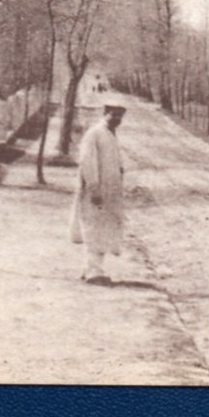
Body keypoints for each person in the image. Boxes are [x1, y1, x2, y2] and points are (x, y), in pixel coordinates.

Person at [69, 103, 127, 285]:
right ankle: (94, 271)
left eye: (120, 116)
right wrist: (94, 187)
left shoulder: (110, 134)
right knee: (94, 228)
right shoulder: (94, 134)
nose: (117, 119)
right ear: (105, 113)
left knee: (103, 229)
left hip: (109, 193)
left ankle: (91, 268)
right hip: (97, 192)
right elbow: (87, 161)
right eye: (114, 115)